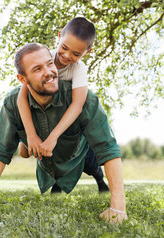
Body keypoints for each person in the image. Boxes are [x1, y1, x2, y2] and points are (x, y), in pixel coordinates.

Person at [0, 43, 128, 224]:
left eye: (50, 64)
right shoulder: (12, 104)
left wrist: (118, 208)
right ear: (23, 79)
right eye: (37, 69)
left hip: (79, 154)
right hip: (49, 165)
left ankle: (100, 183)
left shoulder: (84, 99)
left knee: (93, 168)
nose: (49, 72)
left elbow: (108, 148)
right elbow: (1, 151)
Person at [17, 17, 108, 193]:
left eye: (76, 54)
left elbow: (77, 105)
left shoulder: (78, 69)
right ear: (59, 36)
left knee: (86, 161)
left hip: (66, 122)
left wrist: (53, 137)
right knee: (25, 152)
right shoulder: (44, 58)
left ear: (86, 53)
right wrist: (30, 135)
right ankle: (54, 181)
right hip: (43, 115)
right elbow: (21, 97)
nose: (67, 56)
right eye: (64, 48)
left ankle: (100, 180)